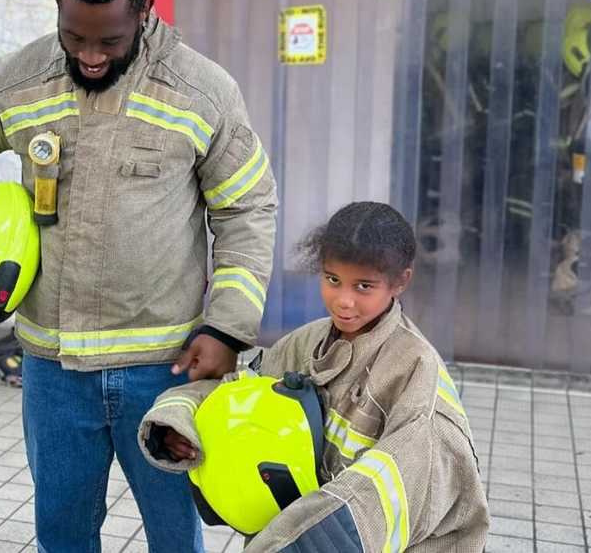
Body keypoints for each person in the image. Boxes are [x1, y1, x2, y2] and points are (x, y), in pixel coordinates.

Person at [0, 0, 276, 552]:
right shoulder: (19, 80)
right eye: (75, 37)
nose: (91, 56)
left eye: (110, 41)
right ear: (56, 5)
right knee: (62, 537)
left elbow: (247, 207)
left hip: (167, 370)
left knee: (176, 538)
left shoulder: (203, 93)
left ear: (144, 12)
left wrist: (228, 327)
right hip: (52, 373)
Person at [139, 202, 489, 552]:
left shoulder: (415, 371)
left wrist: (288, 544)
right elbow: (235, 395)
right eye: (333, 280)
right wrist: (178, 425)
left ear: (400, 282)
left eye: (364, 286)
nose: (344, 301)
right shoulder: (306, 343)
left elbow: (372, 502)